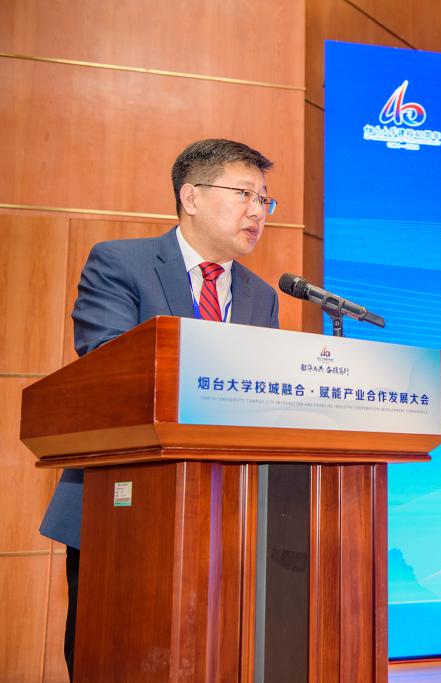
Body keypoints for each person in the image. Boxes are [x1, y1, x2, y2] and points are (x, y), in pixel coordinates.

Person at [38, 138, 281, 679]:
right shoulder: (120, 264)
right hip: (125, 506)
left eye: (265, 199)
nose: (258, 211)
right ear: (191, 197)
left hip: (230, 516)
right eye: (244, 193)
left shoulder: (263, 296)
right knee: (114, 656)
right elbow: (109, 366)